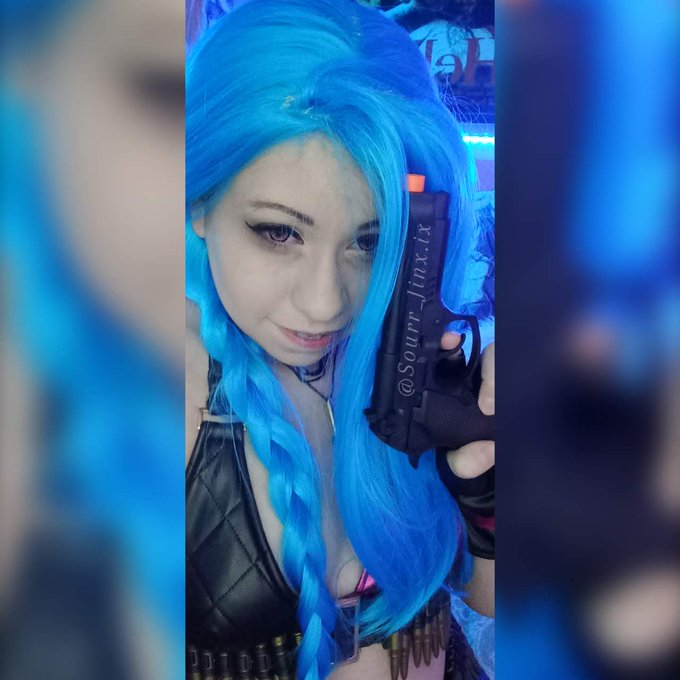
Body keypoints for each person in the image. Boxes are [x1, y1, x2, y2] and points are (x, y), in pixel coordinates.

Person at [185, 1, 495, 679]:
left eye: (369, 242)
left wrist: (487, 482)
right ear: (198, 202)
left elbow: (490, 598)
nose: (326, 304)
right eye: (278, 232)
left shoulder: (411, 351)